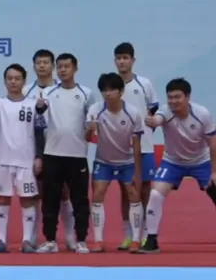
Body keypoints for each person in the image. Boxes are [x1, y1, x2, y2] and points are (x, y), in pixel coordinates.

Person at [141, 78, 216, 254]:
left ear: (187, 97)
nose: (173, 101)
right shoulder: (166, 111)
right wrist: (152, 121)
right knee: (155, 194)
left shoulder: (202, 114)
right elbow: (158, 119)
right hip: (172, 162)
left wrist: (214, 172)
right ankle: (151, 240)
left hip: (201, 161)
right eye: (170, 97)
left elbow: (213, 143)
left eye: (178, 97)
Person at [0, 64, 46, 253]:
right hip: (4, 161)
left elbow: (39, 132)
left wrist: (39, 157)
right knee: (3, 201)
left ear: (24, 81)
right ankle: (1, 241)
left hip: (26, 162)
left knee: (27, 201)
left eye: (17, 78)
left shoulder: (33, 104)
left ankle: (26, 241)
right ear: (4, 81)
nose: (13, 81)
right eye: (9, 78)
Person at [36, 53, 95, 253]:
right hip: (52, 153)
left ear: (75, 69)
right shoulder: (48, 92)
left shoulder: (86, 93)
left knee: (80, 200)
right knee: (50, 199)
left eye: (66, 66)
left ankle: (82, 240)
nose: (62, 70)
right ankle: (50, 240)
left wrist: (91, 129)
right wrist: (39, 107)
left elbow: (91, 122)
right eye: (59, 67)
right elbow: (40, 113)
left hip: (77, 155)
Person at [88, 73, 145, 252]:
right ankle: (98, 240)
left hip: (126, 161)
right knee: (98, 194)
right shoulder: (95, 110)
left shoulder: (132, 113)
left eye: (111, 89)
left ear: (121, 91)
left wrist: (137, 172)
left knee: (133, 195)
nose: (107, 93)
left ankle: (135, 239)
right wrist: (90, 130)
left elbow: (137, 144)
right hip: (103, 161)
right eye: (104, 90)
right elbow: (87, 138)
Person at [113, 42, 160, 251]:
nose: (122, 61)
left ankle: (147, 235)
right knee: (126, 190)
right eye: (119, 58)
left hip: (145, 146)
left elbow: (153, 111)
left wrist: (147, 134)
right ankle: (129, 235)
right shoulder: (112, 84)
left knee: (146, 189)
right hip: (122, 149)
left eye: (125, 58)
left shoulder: (144, 84)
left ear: (133, 60)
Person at [24, 48, 71, 242]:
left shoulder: (63, 88)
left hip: (61, 148)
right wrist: (37, 154)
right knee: (36, 193)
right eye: (38, 63)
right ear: (34, 66)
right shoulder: (26, 91)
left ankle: (70, 237)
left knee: (64, 193)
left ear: (53, 66)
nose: (42, 66)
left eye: (46, 63)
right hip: (34, 148)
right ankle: (33, 237)